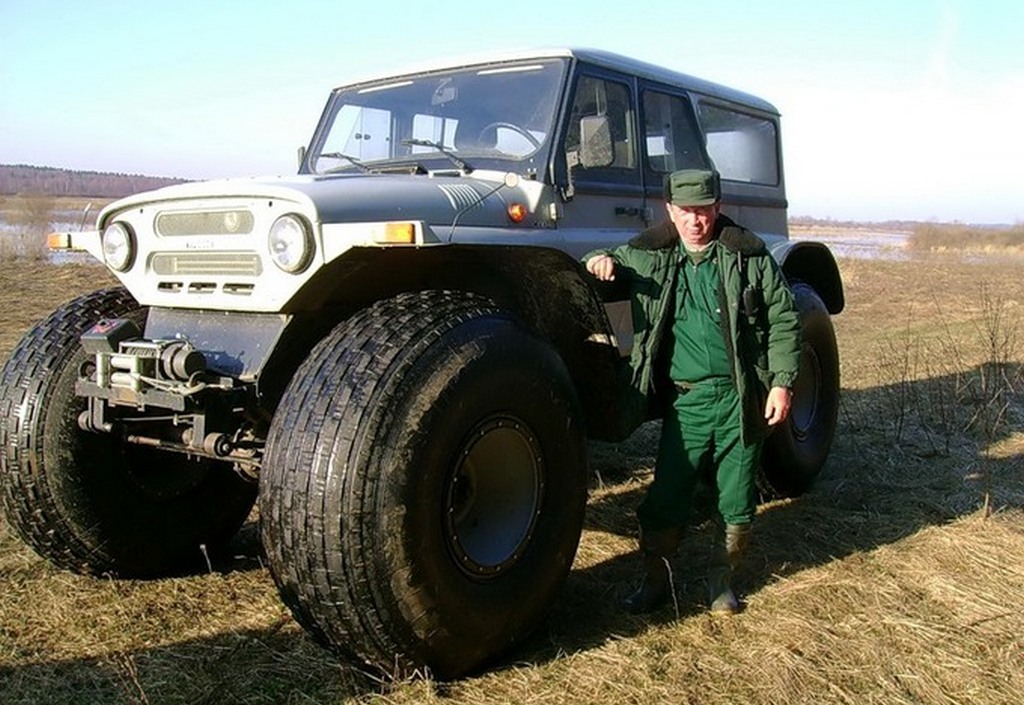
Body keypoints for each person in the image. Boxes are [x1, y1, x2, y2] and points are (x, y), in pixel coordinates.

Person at [584, 168, 801, 615]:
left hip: (743, 397)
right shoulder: (650, 255)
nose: (695, 221)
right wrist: (598, 260)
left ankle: (720, 583)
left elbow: (783, 320)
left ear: (718, 209)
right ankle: (655, 581)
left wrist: (781, 383)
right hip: (687, 403)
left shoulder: (749, 256)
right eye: (686, 212)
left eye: (703, 211)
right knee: (667, 495)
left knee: (737, 498)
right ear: (671, 211)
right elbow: (604, 260)